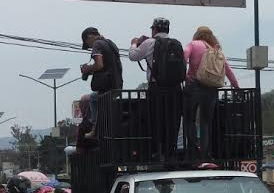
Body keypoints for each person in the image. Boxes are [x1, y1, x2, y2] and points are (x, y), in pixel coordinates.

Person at [129, 17, 185, 161]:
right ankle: (170, 152)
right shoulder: (176, 43)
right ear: (167, 30)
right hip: (175, 90)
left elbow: (133, 56)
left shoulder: (148, 43)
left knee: (156, 119)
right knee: (172, 121)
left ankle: (157, 152)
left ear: (154, 29)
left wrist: (134, 43)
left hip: (157, 88)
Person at [182, 26, 240, 158]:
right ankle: (205, 153)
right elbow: (228, 69)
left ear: (197, 34)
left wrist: (184, 75)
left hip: (194, 85)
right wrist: (236, 87)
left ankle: (192, 151)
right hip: (211, 88)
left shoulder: (193, 44)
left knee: (189, 119)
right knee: (206, 122)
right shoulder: (215, 49)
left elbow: (184, 55)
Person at [80, 27, 124, 139]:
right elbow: (107, 66)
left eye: (87, 44)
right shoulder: (110, 43)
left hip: (106, 86)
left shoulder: (97, 45)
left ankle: (96, 129)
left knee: (93, 99)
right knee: (99, 102)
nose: (89, 47)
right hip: (117, 85)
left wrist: (87, 69)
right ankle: (98, 129)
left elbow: (99, 65)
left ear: (89, 36)